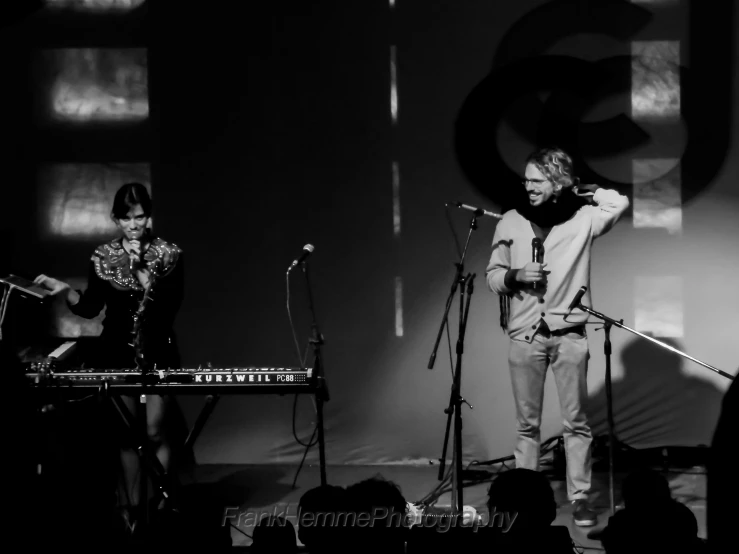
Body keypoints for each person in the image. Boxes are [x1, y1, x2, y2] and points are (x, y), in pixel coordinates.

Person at [486, 146, 629, 527]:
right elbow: (492, 276)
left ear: (556, 182)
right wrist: (514, 277)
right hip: (525, 335)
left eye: (536, 180)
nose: (527, 186)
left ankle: (580, 497)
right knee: (526, 424)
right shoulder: (511, 221)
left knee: (576, 422)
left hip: (569, 334)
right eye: (526, 179)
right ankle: (525, 499)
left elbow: (619, 202)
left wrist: (585, 189)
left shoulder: (583, 219)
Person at [34, 182, 184, 532]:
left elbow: (171, 307)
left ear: (149, 217)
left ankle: (161, 506)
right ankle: (131, 508)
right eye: (127, 218)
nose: (134, 225)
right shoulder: (103, 256)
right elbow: (90, 308)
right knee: (128, 436)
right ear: (116, 219)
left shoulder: (169, 254)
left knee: (156, 430)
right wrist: (66, 292)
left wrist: (143, 273)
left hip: (158, 349)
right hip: (117, 350)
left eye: (141, 216)